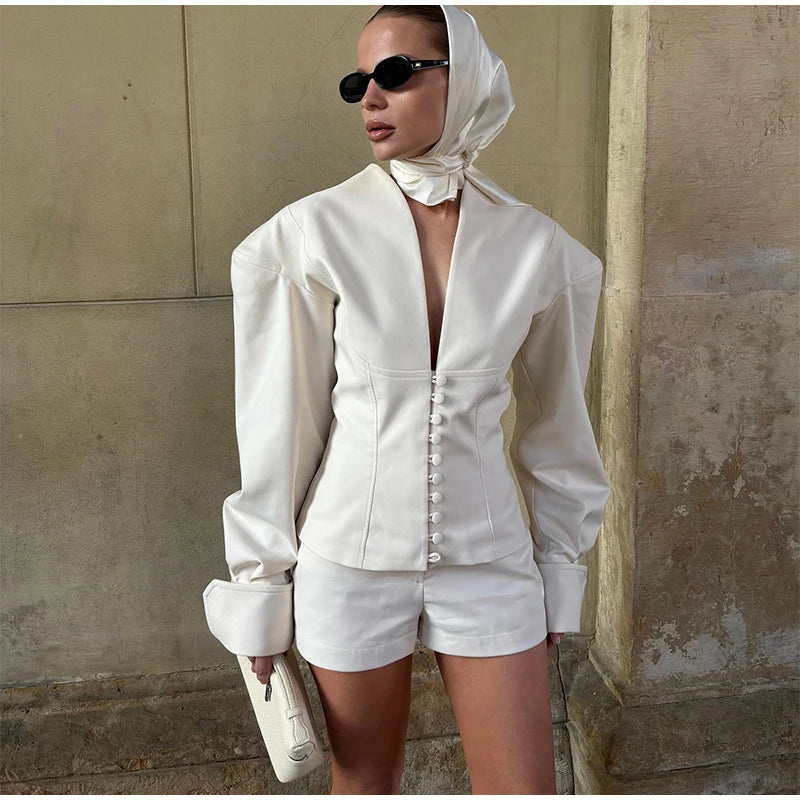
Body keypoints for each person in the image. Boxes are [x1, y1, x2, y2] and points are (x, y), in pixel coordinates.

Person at [202, 4, 610, 794]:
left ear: (466, 77)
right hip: (347, 560)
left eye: (395, 73)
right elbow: (279, 427)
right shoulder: (310, 235)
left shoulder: (539, 249)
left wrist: (560, 564)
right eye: (358, 81)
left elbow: (560, 426)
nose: (371, 98)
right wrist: (260, 582)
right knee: (366, 783)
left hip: (489, 560)